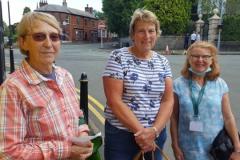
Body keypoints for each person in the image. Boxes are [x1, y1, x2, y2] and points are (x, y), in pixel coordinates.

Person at [0, 12, 93, 159]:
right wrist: (66, 150)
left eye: (54, 37)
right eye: (39, 37)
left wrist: (83, 133)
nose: (48, 44)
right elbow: (8, 153)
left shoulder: (65, 76)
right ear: (23, 42)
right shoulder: (13, 88)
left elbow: (77, 115)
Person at [102, 9, 173, 160]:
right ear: (133, 34)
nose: (147, 36)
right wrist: (142, 134)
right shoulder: (118, 57)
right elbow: (114, 101)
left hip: (156, 135)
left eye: (151, 31)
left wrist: (154, 131)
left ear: (157, 33)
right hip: (122, 137)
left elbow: (168, 100)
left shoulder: (163, 61)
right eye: (141, 31)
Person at [170, 41, 240, 160]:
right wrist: (175, 145)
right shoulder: (178, 85)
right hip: (187, 147)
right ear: (189, 59)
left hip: (216, 148)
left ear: (212, 60)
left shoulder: (220, 84)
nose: (200, 60)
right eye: (195, 56)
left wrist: (237, 147)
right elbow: (174, 117)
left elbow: (228, 117)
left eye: (205, 56)